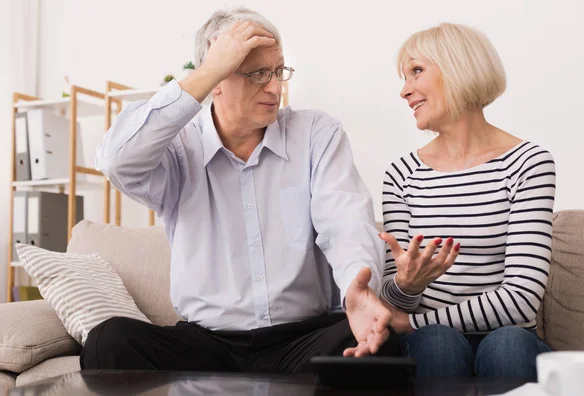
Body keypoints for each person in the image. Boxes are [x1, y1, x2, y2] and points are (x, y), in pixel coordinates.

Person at [80, 7, 400, 373]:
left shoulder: (316, 133)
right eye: (258, 74)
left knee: (379, 346)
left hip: (301, 339)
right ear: (216, 79)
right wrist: (206, 71)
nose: (275, 87)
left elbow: (345, 223)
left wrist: (358, 290)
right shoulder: (178, 148)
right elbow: (116, 161)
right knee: (108, 342)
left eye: (278, 72)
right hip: (206, 344)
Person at [378, 23, 555, 379]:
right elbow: (389, 296)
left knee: (506, 344)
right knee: (438, 343)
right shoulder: (401, 175)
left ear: (458, 68)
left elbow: (521, 298)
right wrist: (407, 287)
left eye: (416, 71)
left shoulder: (528, 163)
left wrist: (412, 320)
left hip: (510, 340)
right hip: (427, 342)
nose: (404, 91)